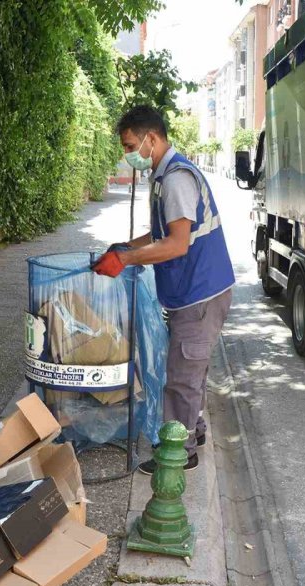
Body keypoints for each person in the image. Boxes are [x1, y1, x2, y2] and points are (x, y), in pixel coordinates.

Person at [92, 105, 235, 475]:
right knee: (192, 370)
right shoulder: (164, 175)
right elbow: (159, 234)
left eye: (129, 146)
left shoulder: (175, 180)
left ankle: (179, 453)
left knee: (182, 376)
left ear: (151, 139)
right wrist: (125, 247)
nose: (127, 155)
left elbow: (177, 245)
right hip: (195, 290)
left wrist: (127, 260)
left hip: (200, 292)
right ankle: (195, 431)